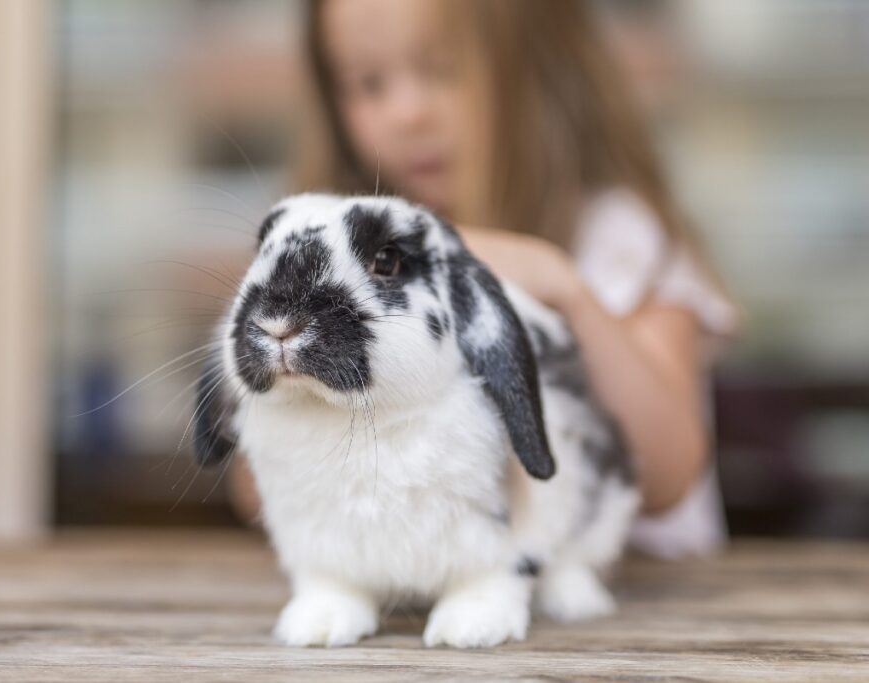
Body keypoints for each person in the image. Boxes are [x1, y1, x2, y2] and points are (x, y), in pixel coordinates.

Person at [229, 0, 737, 558]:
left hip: (637, 596)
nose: (407, 113)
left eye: (443, 69)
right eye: (368, 84)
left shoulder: (620, 237)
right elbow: (254, 490)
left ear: (541, 70)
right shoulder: (334, 256)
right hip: (434, 595)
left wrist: (564, 289)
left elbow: (666, 476)